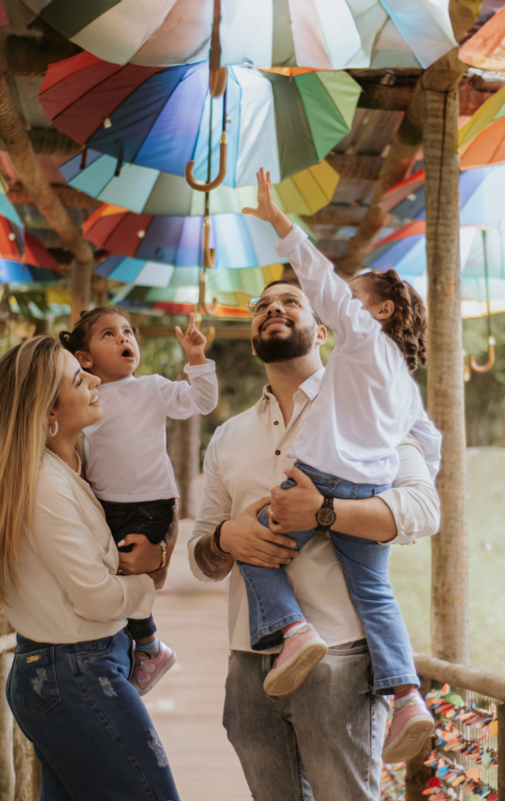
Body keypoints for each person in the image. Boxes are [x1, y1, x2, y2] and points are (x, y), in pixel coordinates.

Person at [188, 279, 441, 800]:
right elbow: (201, 558)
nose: (272, 308)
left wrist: (324, 511)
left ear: (324, 330)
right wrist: (228, 538)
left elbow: (422, 508)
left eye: (290, 302)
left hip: (342, 663)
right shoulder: (228, 436)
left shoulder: (362, 404)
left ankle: (403, 695)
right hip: (249, 660)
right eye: (262, 305)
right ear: (253, 333)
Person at [239, 168, 441, 753]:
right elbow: (428, 442)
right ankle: (405, 698)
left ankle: (292, 631)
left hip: (324, 475)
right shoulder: (404, 382)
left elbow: (321, 281)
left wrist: (280, 222)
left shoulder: (360, 338)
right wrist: (406, 469)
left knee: (255, 544)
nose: (342, 306)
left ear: (376, 313)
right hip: (371, 486)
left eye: (355, 300)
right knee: (375, 594)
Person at [0, 336, 181, 801]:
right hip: (76, 672)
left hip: (72, 670)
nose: (96, 380)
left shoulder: (69, 471)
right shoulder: (44, 486)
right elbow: (97, 596)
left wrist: (155, 558)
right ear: (48, 415)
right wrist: (147, 580)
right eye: (79, 379)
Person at [60, 306, 217, 695]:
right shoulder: (84, 397)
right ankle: (133, 647)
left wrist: (196, 358)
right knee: (109, 578)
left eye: (128, 331)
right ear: (84, 359)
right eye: (109, 334)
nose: (125, 339)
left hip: (151, 503)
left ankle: (148, 647)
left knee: (132, 574)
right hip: (103, 505)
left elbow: (203, 401)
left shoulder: (153, 387)